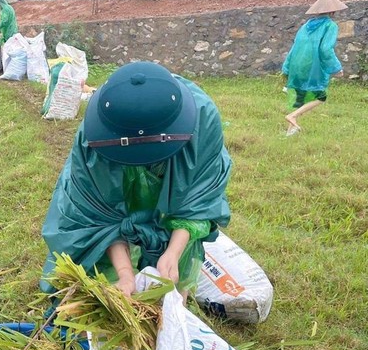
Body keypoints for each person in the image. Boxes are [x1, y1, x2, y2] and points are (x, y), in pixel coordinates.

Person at [40, 61, 232, 299]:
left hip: (179, 185)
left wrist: (172, 253)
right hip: (111, 172)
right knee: (95, 259)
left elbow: (197, 201)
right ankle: (116, 291)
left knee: (176, 261)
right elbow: (98, 215)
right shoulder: (97, 136)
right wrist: (125, 274)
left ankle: (174, 306)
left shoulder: (202, 121)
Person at [282, 0, 348, 136]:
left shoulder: (306, 25)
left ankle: (290, 130)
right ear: (332, 11)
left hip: (297, 65)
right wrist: (336, 68)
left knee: (300, 97)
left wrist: (286, 68)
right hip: (313, 67)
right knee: (321, 97)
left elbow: (294, 47)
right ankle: (292, 116)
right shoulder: (330, 25)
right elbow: (325, 49)